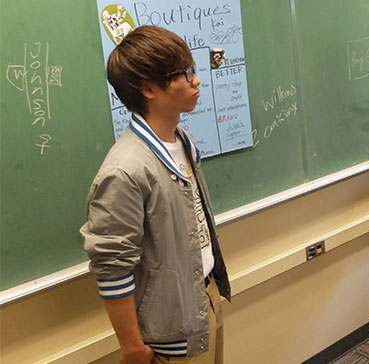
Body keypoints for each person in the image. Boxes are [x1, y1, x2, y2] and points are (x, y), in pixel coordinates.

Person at [80, 26, 230, 364]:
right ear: (148, 88)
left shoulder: (181, 141)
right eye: (185, 73)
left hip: (204, 300)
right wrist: (133, 348)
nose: (197, 81)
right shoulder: (125, 171)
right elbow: (112, 266)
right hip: (168, 334)